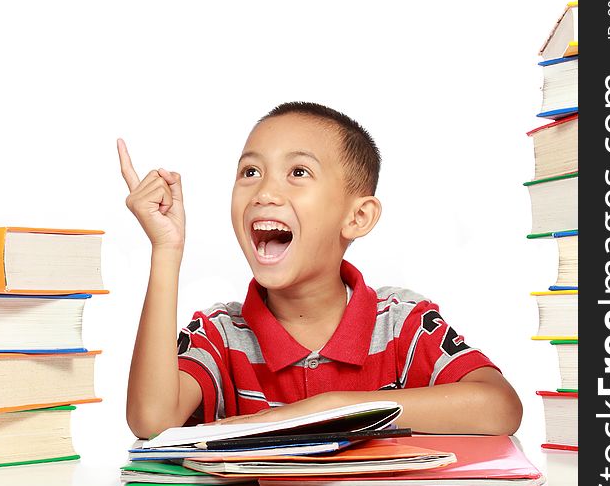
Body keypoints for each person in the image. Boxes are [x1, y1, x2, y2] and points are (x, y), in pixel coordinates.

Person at [118, 102, 522, 439]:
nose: (264, 193)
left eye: (298, 173)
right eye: (250, 172)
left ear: (358, 217)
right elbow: (151, 421)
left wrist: (326, 410)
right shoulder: (220, 334)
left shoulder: (403, 324)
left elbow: (500, 407)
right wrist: (166, 251)